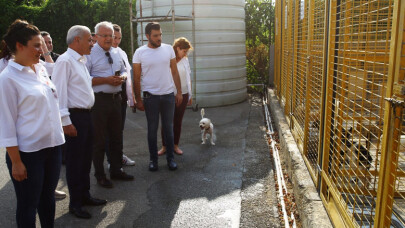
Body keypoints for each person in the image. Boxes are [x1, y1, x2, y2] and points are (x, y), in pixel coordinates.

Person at [0, 19, 65, 228]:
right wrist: (16, 162)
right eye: (37, 45)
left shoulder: (40, 69)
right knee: (28, 205)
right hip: (29, 153)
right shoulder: (7, 79)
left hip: (52, 147)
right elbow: (6, 124)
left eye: (43, 45)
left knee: (48, 199)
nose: (42, 50)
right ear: (19, 46)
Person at [52, 25, 107, 219]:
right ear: (76, 40)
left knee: (85, 160)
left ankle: (85, 196)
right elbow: (58, 93)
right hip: (74, 117)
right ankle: (75, 203)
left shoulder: (81, 61)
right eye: (89, 40)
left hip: (86, 115)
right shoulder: (65, 61)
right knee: (75, 162)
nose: (92, 43)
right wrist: (66, 121)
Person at [86, 21, 134, 188]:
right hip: (98, 101)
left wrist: (122, 78)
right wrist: (106, 80)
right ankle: (100, 175)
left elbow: (124, 71)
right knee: (99, 140)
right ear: (96, 36)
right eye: (104, 35)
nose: (108, 39)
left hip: (116, 99)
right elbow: (84, 79)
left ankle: (116, 169)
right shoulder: (89, 54)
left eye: (111, 36)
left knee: (116, 137)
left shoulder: (116, 52)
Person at [133, 22, 183, 171]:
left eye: (160, 34)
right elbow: (136, 78)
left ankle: (170, 160)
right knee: (152, 129)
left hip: (168, 95)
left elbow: (174, 71)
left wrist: (179, 92)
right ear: (147, 36)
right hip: (150, 97)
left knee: (168, 128)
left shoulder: (168, 49)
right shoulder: (139, 52)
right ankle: (153, 160)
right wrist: (138, 99)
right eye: (155, 36)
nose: (159, 38)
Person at [158, 37, 193, 156]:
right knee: (166, 121)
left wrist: (190, 95)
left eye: (186, 52)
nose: (185, 54)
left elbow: (189, 78)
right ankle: (164, 146)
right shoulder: (168, 59)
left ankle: (175, 145)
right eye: (184, 51)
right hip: (168, 94)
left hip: (183, 94)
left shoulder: (185, 60)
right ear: (178, 48)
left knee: (178, 121)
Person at [111, 23, 136, 166]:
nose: (116, 41)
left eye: (119, 38)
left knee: (119, 130)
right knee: (110, 132)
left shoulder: (121, 52)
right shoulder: (100, 53)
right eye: (114, 37)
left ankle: (118, 156)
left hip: (122, 96)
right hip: (108, 97)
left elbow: (127, 73)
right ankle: (112, 160)